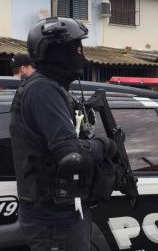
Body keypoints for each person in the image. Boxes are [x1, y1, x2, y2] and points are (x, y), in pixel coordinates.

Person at [9, 17, 117, 251]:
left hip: (61, 213)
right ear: (55, 52)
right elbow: (71, 157)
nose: (81, 55)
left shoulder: (50, 88)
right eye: (75, 48)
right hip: (54, 222)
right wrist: (105, 145)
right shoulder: (43, 90)